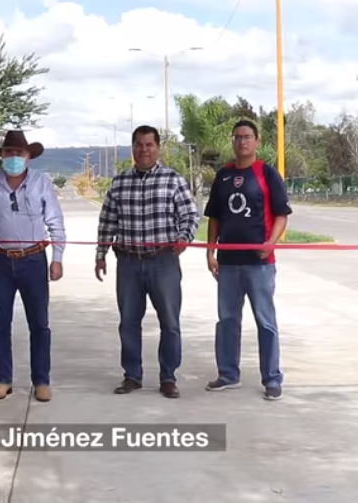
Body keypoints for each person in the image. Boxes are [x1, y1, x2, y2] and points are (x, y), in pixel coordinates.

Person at [95, 125, 200, 399]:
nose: (144, 149)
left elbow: (190, 215)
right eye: (139, 144)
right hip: (128, 263)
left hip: (163, 262)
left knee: (170, 322)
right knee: (128, 322)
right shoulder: (119, 183)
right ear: (133, 148)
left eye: (149, 144)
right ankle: (132, 375)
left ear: (158, 147)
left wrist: (183, 238)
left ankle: (168, 377)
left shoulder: (173, 180)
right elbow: (107, 222)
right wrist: (100, 255)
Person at [0, 130, 66, 402]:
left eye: (18, 153)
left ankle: (42, 380)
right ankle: (3, 379)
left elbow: (55, 222)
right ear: (1, 155)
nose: (13, 157)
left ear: (28, 157)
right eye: (8, 152)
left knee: (39, 324)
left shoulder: (41, 183)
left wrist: (57, 259)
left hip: (33, 260)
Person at [204, 119, 292, 401]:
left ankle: (272, 379)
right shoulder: (223, 176)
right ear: (233, 142)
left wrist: (270, 243)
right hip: (228, 263)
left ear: (256, 141)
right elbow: (215, 217)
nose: (242, 142)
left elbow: (281, 215)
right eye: (237, 137)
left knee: (265, 321)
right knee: (227, 319)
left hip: (259, 264)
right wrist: (211, 251)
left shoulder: (267, 174)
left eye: (247, 137)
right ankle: (228, 374)